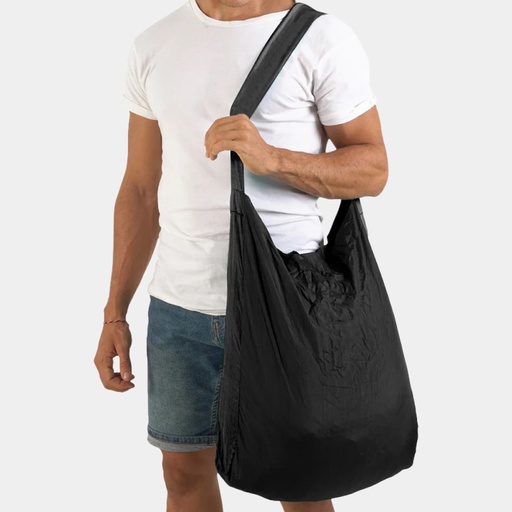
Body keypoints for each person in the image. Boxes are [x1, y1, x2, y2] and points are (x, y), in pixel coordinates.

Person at [93, 0, 388, 510]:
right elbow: (140, 189)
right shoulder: (154, 45)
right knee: (183, 474)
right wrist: (114, 312)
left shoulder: (320, 38)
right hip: (179, 309)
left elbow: (374, 168)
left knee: (302, 483)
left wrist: (272, 158)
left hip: (288, 306)